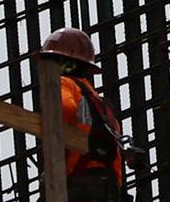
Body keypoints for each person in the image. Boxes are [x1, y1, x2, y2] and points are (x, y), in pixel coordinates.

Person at [38, 27, 126, 200]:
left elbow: (64, 109)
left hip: (78, 190)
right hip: (106, 192)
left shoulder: (63, 83)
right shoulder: (100, 105)